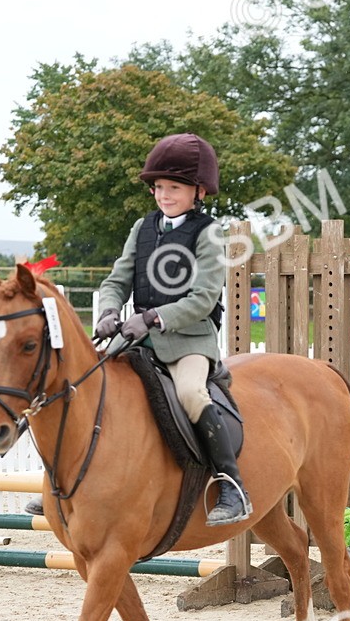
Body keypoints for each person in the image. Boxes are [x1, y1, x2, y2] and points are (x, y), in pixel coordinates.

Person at [29, 133, 251, 526]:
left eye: (175, 188)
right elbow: (118, 278)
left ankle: (231, 484)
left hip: (188, 339)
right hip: (135, 335)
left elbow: (202, 298)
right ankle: (58, 482)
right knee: (83, 385)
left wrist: (151, 317)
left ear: (198, 191)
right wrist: (110, 309)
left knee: (191, 393)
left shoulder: (209, 233)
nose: (165, 195)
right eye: (159, 188)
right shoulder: (143, 227)